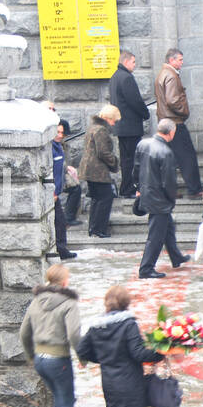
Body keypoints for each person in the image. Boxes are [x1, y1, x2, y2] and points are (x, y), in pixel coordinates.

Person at [77, 284, 163, 407]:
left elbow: (82, 350)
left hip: (110, 383)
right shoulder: (128, 324)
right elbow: (139, 353)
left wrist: (106, 359)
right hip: (130, 384)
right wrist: (161, 352)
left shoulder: (96, 325)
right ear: (126, 303)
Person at [19, 264, 82, 407]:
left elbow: (24, 332)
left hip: (40, 359)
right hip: (58, 360)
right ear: (64, 281)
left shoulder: (36, 301)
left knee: (59, 401)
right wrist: (82, 356)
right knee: (67, 404)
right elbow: (74, 334)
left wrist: (31, 355)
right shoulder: (69, 303)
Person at [134, 120, 191, 279]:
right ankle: (146, 269)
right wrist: (171, 198)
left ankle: (176, 257)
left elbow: (136, 168)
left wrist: (138, 188)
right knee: (156, 236)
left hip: (147, 193)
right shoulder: (166, 152)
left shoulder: (143, 144)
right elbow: (169, 182)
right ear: (171, 133)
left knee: (168, 228)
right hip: (159, 199)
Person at [154, 47, 202, 195]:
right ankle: (194, 189)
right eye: (180, 59)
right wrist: (184, 111)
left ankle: (168, 189)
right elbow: (173, 100)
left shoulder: (163, 74)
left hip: (165, 121)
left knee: (170, 158)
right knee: (187, 156)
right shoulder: (171, 75)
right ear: (171, 60)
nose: (182, 62)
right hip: (174, 122)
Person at [110, 50, 151, 198]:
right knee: (132, 160)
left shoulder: (115, 77)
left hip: (121, 127)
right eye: (133, 62)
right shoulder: (126, 78)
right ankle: (129, 188)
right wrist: (145, 113)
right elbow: (135, 101)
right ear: (126, 62)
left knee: (126, 159)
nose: (135, 65)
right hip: (130, 126)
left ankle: (125, 188)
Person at [79, 104, 121, 238]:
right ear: (109, 118)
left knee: (97, 199)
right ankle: (99, 229)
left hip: (89, 169)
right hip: (97, 170)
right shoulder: (101, 130)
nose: (114, 124)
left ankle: (94, 228)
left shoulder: (93, 127)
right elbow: (103, 152)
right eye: (114, 120)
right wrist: (115, 162)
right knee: (105, 197)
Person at [50, 121, 77, 260]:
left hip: (55, 192)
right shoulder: (51, 148)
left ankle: (61, 249)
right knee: (59, 222)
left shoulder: (58, 147)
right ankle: (61, 250)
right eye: (57, 132)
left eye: (62, 133)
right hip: (52, 192)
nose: (60, 135)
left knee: (60, 222)